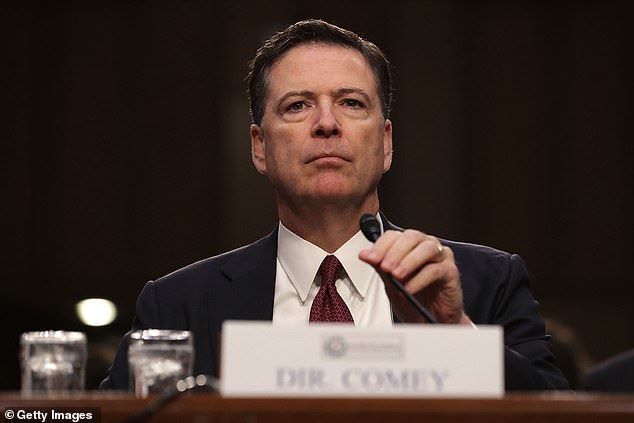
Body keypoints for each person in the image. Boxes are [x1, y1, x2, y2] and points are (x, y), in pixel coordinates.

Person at [100, 19, 569, 391]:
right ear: (259, 147)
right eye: (298, 106)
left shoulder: (487, 282)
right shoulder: (178, 304)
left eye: (350, 103)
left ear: (386, 143)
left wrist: (454, 335)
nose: (326, 123)